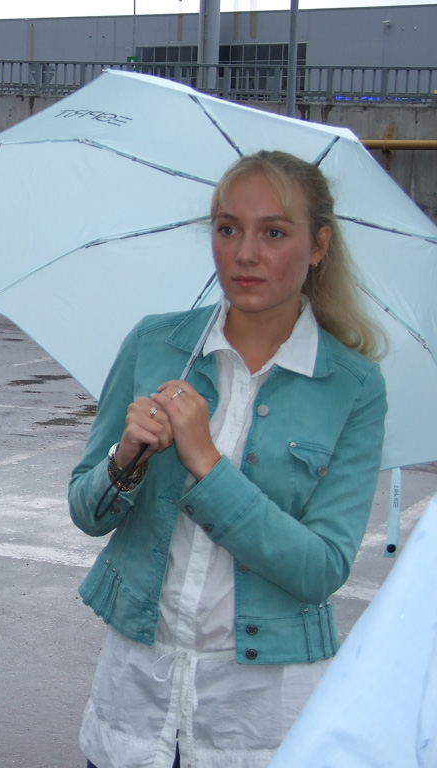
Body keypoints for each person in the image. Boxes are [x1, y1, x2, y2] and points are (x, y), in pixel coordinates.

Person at [68, 150, 387, 768]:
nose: (245, 254)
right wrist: (125, 458)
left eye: (274, 233)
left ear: (319, 245)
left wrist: (209, 466)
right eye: (227, 228)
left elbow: (321, 568)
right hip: (135, 702)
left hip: (259, 719)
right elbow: (87, 511)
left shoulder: (352, 386)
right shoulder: (156, 344)